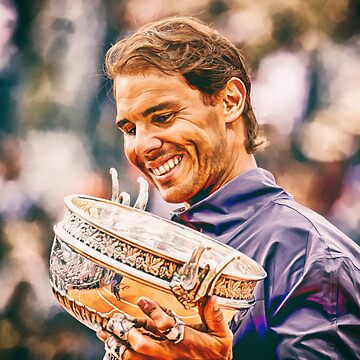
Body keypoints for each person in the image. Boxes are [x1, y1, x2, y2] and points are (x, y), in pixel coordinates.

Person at [97, 16, 360, 359]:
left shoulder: (311, 258)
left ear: (230, 101)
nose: (142, 146)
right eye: (130, 129)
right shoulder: (170, 246)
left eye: (163, 117)